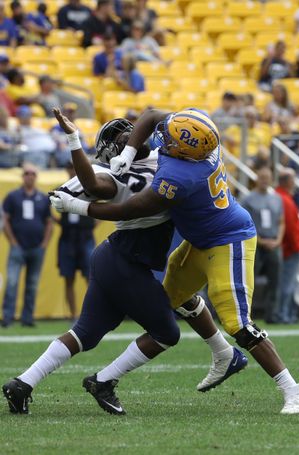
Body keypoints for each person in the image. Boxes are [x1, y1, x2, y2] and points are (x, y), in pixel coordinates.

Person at [49, 108, 299, 414]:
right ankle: (218, 356)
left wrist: (79, 207)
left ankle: (294, 390)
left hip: (229, 240)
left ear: (184, 152)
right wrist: (130, 150)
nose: (164, 140)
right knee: (170, 303)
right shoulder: (197, 135)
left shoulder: (180, 175)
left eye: (171, 142)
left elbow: (130, 210)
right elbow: (150, 116)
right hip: (199, 240)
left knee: (239, 325)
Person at [3, 112, 181, 415]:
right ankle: (104, 381)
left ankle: (22, 384)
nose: (128, 134)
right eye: (120, 136)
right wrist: (74, 140)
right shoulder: (113, 175)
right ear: (111, 150)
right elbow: (93, 184)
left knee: (85, 334)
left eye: (129, 130)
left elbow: (151, 119)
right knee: (167, 333)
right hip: (126, 262)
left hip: (115, 258)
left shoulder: (162, 157)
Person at [1, 163, 52, 328]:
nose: (29, 176)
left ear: (35, 177)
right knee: (12, 283)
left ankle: (27, 319)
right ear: (22, 176)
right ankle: (7, 318)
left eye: (32, 173)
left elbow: (49, 222)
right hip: (18, 247)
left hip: (37, 248)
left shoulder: (43, 198)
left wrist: (44, 244)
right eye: (26, 173)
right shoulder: (13, 196)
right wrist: (13, 242)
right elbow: (5, 220)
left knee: (32, 284)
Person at [241, 166, 284, 324]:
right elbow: (244, 224)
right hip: (255, 243)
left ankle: (272, 314)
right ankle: (245, 315)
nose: (265, 180)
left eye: (268, 177)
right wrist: (260, 240)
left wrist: (278, 240)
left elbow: (281, 222)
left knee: (275, 280)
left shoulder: (276, 199)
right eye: (262, 177)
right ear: (256, 179)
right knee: (249, 279)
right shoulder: (248, 199)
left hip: (273, 242)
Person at [58, 161, 96, 321]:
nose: (72, 171)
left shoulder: (88, 187)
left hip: (85, 235)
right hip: (68, 237)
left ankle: (91, 314)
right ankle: (74, 316)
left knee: (91, 277)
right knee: (68, 277)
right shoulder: (61, 188)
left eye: (74, 168)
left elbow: (102, 204)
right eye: (69, 168)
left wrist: (93, 223)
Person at [275, 168, 299, 324]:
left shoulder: (283, 197)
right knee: (287, 284)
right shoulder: (284, 199)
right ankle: (283, 315)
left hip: (290, 248)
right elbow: (289, 227)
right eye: (293, 179)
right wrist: (294, 248)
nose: (294, 182)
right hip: (291, 249)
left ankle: (286, 314)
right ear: (287, 181)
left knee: (289, 284)